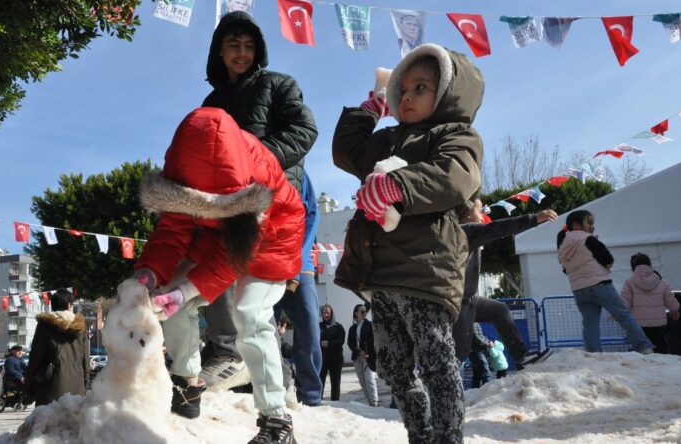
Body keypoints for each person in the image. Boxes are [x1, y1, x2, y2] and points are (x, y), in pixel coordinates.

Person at [332, 43, 484, 443]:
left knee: (436, 360)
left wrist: (396, 185)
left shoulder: (457, 135)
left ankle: (448, 436)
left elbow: (455, 175)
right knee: (394, 366)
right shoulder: (388, 139)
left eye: (421, 87)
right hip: (381, 274)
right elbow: (347, 152)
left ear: (449, 92)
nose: (408, 96)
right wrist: (369, 109)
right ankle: (419, 433)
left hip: (425, 269)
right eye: (403, 89)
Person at [133, 107, 304, 443]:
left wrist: (190, 289)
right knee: (168, 294)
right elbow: (173, 230)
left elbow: (235, 258)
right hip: (216, 235)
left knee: (250, 314)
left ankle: (276, 419)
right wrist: (149, 274)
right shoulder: (181, 170)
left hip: (271, 238)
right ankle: (187, 382)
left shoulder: (259, 173)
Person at [199, 10, 322, 407]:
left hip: (276, 195)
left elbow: (305, 130)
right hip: (227, 199)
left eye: (249, 45)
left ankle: (290, 389)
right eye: (233, 44)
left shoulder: (279, 84)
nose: (241, 52)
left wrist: (256, 159)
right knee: (216, 269)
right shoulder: (212, 101)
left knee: (265, 296)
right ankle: (231, 358)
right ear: (219, 50)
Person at [453, 199, 558, 368]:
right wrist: (533, 219)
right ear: (466, 216)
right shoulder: (465, 231)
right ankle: (441, 386)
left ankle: (521, 357)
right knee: (460, 352)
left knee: (500, 310)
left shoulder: (469, 233)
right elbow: (499, 228)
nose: (482, 216)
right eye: (478, 212)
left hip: (470, 298)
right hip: (458, 300)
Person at [556, 210, 653, 354]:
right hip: (600, 285)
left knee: (590, 324)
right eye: (589, 222)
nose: (592, 225)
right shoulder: (587, 239)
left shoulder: (562, 247)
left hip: (579, 290)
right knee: (623, 315)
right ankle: (643, 347)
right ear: (576, 225)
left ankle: (593, 354)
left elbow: (565, 269)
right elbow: (608, 261)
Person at [24, 289, 89, 406]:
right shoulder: (81, 327)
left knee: (51, 422)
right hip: (77, 386)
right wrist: (85, 384)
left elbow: (35, 358)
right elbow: (86, 360)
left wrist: (28, 388)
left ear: (53, 305)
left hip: (50, 387)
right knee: (73, 422)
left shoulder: (45, 325)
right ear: (69, 305)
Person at [620, 253, 680, 354]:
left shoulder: (629, 283)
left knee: (642, 347)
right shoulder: (661, 282)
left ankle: (645, 367)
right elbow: (670, 299)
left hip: (639, 324)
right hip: (658, 323)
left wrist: (617, 313)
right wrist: (674, 310)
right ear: (650, 265)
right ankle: (662, 366)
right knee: (660, 345)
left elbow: (624, 301)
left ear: (632, 267)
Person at [347, 304, 378, 406]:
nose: (364, 313)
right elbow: (350, 343)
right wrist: (359, 351)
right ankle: (369, 401)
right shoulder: (352, 328)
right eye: (361, 311)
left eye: (365, 311)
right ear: (356, 313)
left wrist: (366, 352)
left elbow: (372, 340)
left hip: (368, 357)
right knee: (362, 381)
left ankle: (374, 402)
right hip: (357, 357)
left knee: (370, 379)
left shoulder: (369, 325)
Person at [318, 304, 345, 401]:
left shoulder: (338, 327)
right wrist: (320, 342)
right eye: (324, 313)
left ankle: (335, 402)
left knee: (335, 383)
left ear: (332, 313)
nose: (326, 315)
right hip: (322, 359)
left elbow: (341, 340)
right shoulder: (318, 326)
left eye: (328, 313)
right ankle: (318, 401)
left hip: (336, 359)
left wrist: (329, 343)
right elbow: (314, 339)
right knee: (320, 382)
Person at [468, 323, 492, 389]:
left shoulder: (472, 322)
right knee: (486, 374)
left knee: (476, 375)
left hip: (473, 351)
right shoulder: (473, 323)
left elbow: (479, 336)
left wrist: (486, 340)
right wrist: (487, 343)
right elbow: (476, 337)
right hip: (477, 351)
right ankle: (487, 394)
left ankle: (474, 394)